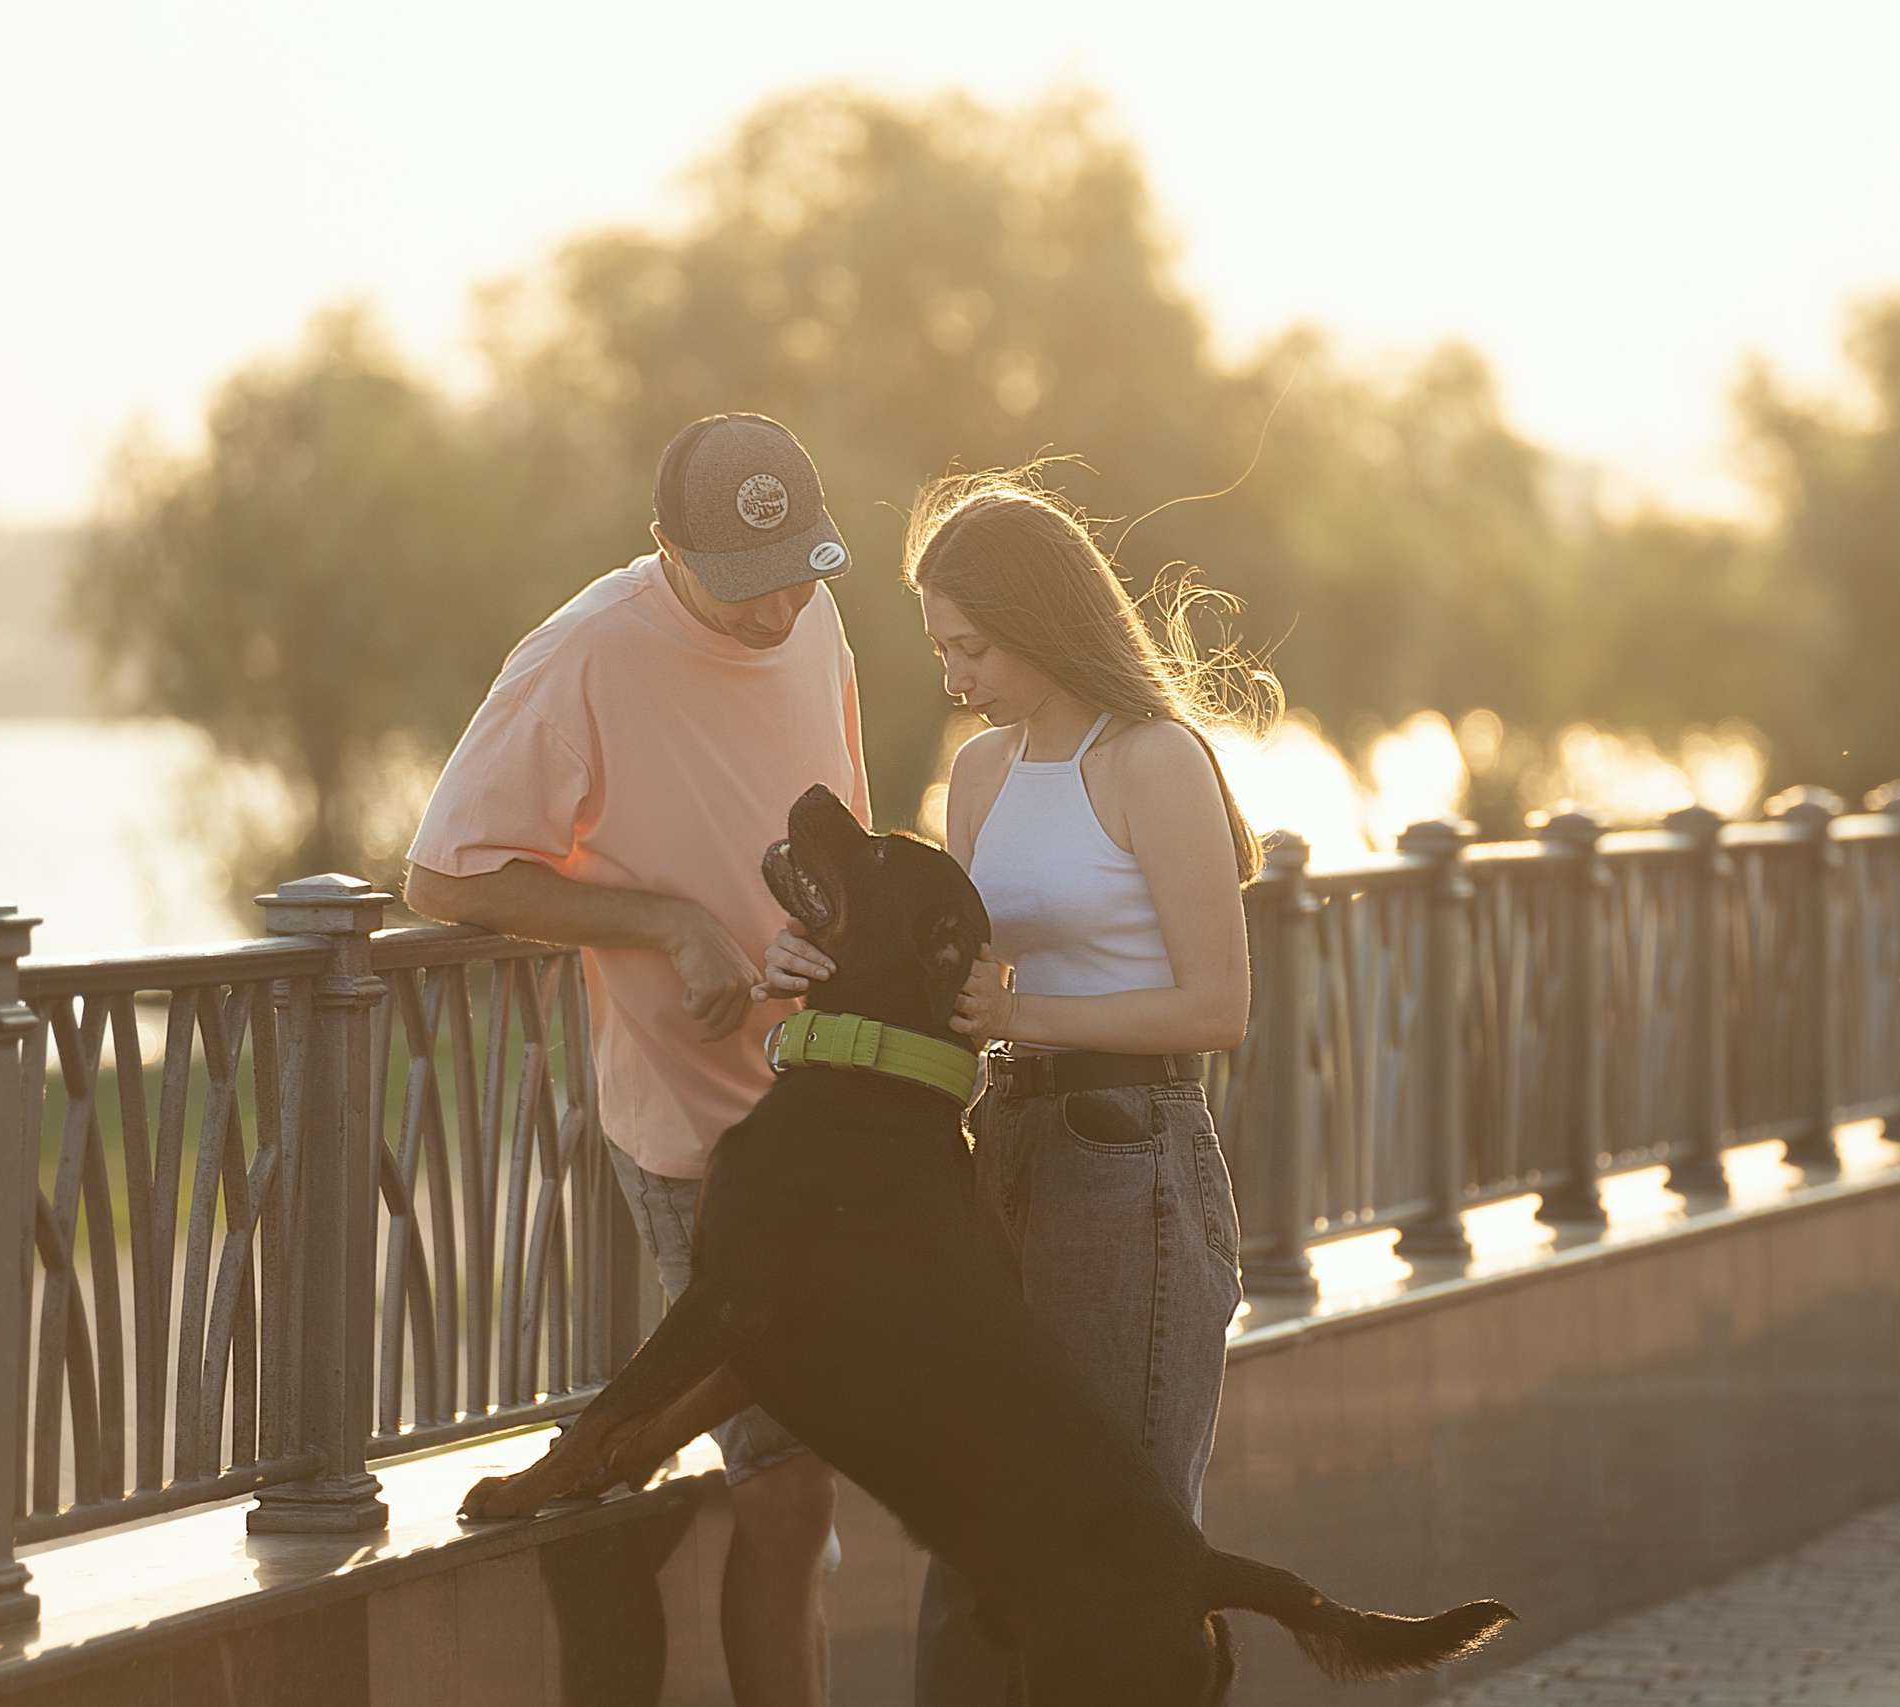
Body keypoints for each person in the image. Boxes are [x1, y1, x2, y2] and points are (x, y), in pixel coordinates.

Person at [762, 471, 1265, 1705]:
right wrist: (815, 961)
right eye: (941, 648)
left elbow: (1219, 1008)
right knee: (983, 1516)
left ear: (1041, 623)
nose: (956, 676)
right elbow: (943, 976)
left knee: (1118, 1545)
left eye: (972, 645)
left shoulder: (1154, 762)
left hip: (1130, 1157)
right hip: (1000, 1156)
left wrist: (1022, 1015)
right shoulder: (982, 774)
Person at [404, 413, 867, 1707]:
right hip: (695, 1117)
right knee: (786, 1487)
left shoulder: (815, 616)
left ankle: (608, 1481)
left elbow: (847, 831)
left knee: (800, 1481)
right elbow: (445, 871)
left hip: (833, 1102)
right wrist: (669, 923)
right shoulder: (585, 651)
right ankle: (603, 1482)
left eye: (801, 564)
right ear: (666, 546)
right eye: (745, 578)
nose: (782, 604)